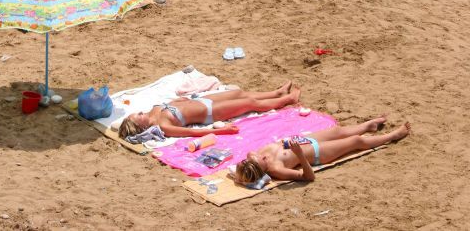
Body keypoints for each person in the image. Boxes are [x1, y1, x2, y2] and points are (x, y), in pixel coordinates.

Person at [234, 116, 411, 183]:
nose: (263, 156)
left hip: (304, 140)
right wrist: (300, 156)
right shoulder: (277, 169)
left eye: (258, 158)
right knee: (355, 141)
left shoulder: (253, 157)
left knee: (338, 131)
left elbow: (240, 169)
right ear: (264, 171)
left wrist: (245, 170)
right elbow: (308, 177)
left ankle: (368, 125)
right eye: (262, 162)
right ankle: (392, 136)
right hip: (317, 152)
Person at [118, 82, 300, 139]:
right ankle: (287, 99)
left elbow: (175, 103)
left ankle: (276, 92)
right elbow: (192, 132)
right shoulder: (163, 126)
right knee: (249, 103)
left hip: (202, 101)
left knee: (238, 93)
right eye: (138, 116)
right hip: (210, 112)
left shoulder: (152, 112)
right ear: (140, 127)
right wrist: (222, 131)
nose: (141, 112)